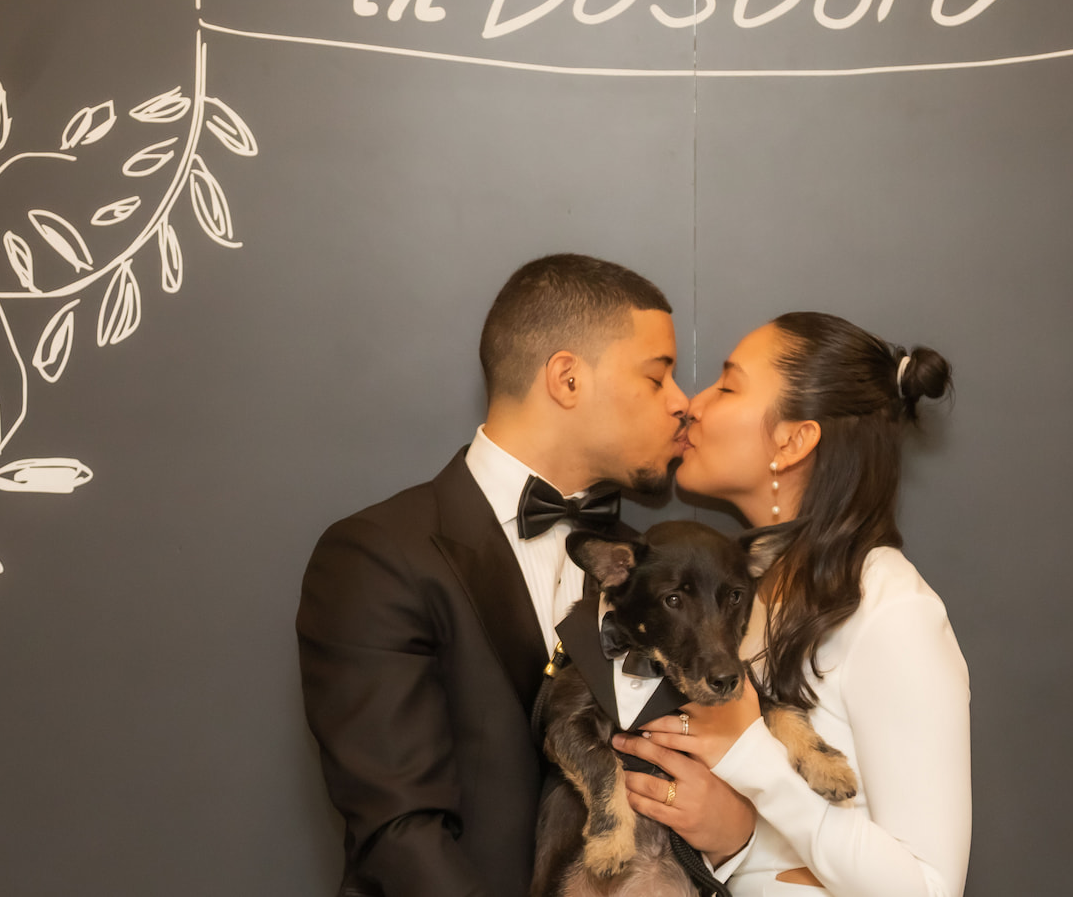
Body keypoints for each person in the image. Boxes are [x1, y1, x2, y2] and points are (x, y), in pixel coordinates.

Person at [296, 254, 689, 897]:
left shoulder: (649, 567)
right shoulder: (377, 555)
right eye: (657, 376)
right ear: (567, 379)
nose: (682, 403)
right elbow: (400, 833)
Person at [609, 312, 970, 897]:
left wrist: (751, 756)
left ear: (793, 440)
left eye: (727, 387)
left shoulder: (892, 610)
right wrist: (736, 839)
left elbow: (928, 889)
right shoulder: (741, 596)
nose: (693, 405)